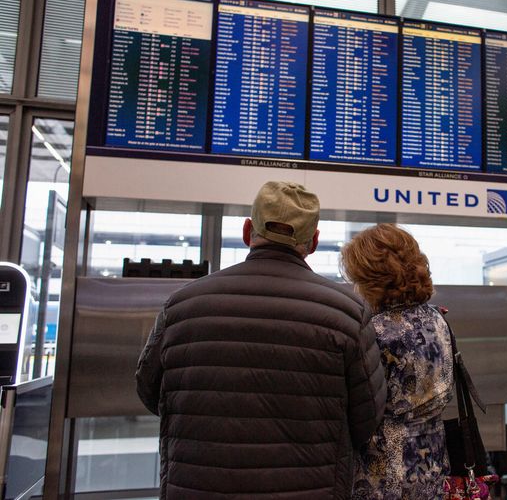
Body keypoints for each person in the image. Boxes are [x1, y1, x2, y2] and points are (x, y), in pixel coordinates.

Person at [135, 181, 387, 499]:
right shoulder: (347, 312)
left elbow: (149, 390)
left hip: (197, 486)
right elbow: (367, 417)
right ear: (313, 242)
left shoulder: (182, 304)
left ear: (247, 231)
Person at [340, 223, 455, 499]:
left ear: (371, 280)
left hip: (385, 474)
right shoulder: (437, 318)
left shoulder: (375, 332)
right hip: (433, 463)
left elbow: (359, 411)